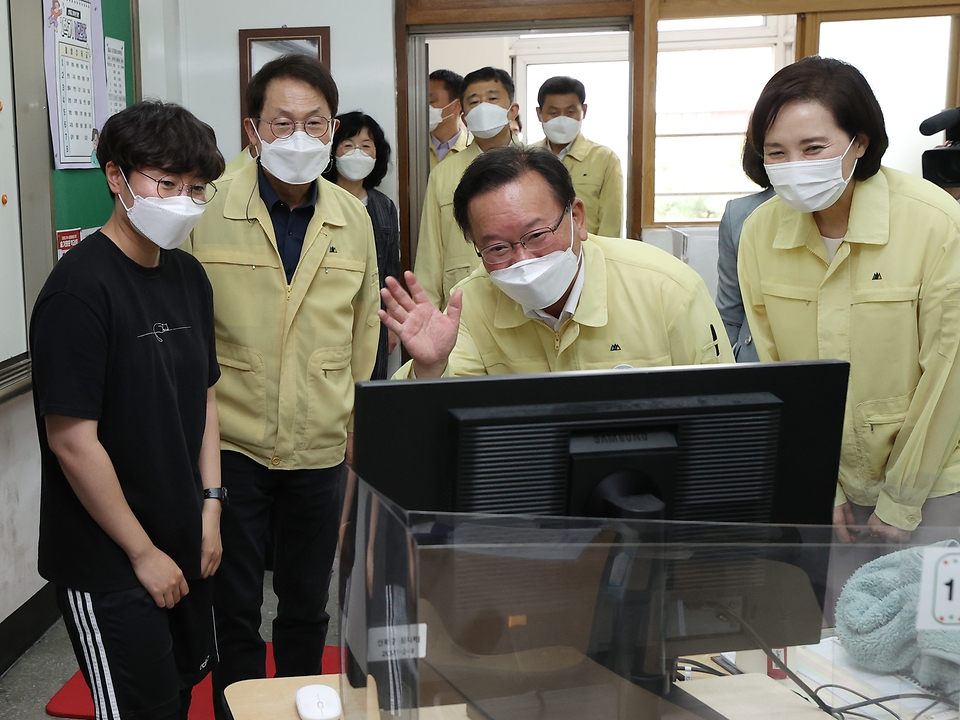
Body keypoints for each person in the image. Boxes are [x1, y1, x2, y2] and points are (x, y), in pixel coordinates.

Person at [185, 54, 380, 719]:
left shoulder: (353, 217)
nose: (301, 137)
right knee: (233, 608)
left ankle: (301, 710)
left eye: (315, 123)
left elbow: (363, 333)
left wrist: (358, 424)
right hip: (232, 442)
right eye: (283, 122)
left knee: (306, 605)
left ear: (332, 129)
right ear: (253, 128)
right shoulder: (207, 208)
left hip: (320, 442)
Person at [31, 100, 225, 720]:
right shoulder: (78, 290)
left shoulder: (189, 276)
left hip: (184, 532)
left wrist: (212, 506)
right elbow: (71, 440)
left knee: (176, 693)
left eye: (195, 190)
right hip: (110, 557)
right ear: (117, 177)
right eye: (164, 183)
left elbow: (205, 394)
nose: (181, 201)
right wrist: (142, 554)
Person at [738, 56, 960, 545]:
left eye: (813, 148)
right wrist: (824, 484)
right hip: (829, 483)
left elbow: (949, 375)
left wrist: (902, 497)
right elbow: (780, 374)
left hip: (933, 481)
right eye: (776, 153)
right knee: (836, 618)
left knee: (926, 618)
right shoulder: (759, 233)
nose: (794, 167)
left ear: (859, 141)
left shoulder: (934, 222)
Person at [383, 146, 733, 378]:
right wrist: (430, 367)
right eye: (497, 248)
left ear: (577, 218)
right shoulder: (471, 303)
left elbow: (726, 409)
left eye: (536, 236)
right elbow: (432, 421)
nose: (522, 260)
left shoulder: (667, 288)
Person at [415, 66, 521, 310]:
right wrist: (428, 312)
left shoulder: (538, 165)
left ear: (512, 110)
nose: (483, 107)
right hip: (463, 300)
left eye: (493, 99)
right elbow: (430, 253)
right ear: (464, 117)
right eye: (474, 101)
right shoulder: (443, 174)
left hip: (525, 299)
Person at [323, 110, 400, 379]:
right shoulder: (320, 200)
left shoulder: (383, 206)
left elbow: (391, 269)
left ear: (377, 154)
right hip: (326, 316)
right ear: (332, 152)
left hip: (374, 319)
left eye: (366, 146)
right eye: (348, 145)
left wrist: (392, 325)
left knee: (370, 391)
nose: (358, 153)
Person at [530, 76, 623, 238]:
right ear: (539, 114)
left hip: (588, 254)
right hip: (536, 254)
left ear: (584, 111)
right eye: (553, 113)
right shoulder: (526, 157)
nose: (562, 119)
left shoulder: (604, 159)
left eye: (570, 112)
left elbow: (611, 223)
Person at [715, 146, 775, 362]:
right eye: (777, 151)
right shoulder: (739, 214)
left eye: (813, 148)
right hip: (755, 364)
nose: (795, 160)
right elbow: (729, 313)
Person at [428, 69, 471, 168]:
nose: (425, 107)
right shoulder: (413, 150)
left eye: (431, 101)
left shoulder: (472, 152)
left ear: (456, 105)